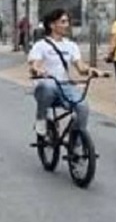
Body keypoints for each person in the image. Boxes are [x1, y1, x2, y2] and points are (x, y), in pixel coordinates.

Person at [28, 8, 107, 137]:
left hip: (65, 86)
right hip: (47, 87)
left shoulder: (71, 46)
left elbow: (80, 68)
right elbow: (34, 65)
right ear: (52, 25)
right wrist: (39, 70)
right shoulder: (41, 45)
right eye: (63, 22)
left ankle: (75, 141)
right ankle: (41, 119)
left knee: (83, 107)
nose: (67, 25)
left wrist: (91, 70)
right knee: (47, 85)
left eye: (67, 22)